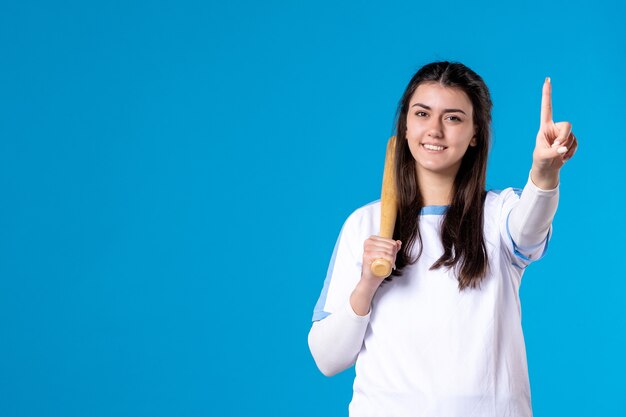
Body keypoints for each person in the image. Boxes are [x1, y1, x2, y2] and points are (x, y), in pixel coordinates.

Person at [308, 61, 577, 417]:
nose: (434, 130)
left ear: (475, 133)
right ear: (406, 124)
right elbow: (328, 359)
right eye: (422, 113)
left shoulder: (499, 215)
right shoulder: (365, 223)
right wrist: (367, 284)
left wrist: (544, 171)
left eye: (452, 118)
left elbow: (530, 224)